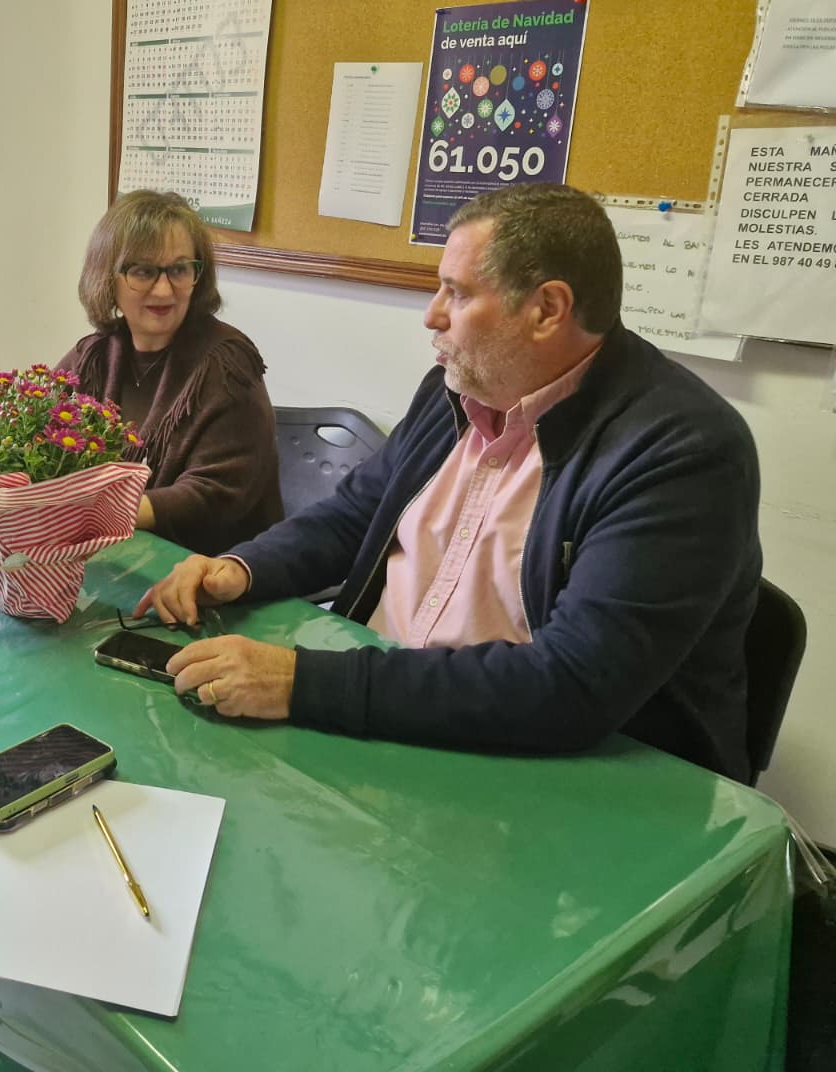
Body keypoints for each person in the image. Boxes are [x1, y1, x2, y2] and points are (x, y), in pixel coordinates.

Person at [139, 184, 761, 781]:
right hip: (385, 709)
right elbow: (356, 515)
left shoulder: (680, 451)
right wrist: (242, 568)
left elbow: (573, 685)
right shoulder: (458, 388)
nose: (432, 315)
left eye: (456, 294)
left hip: (540, 765)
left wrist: (300, 683)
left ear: (547, 309)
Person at [56, 190, 282, 555]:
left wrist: (97, 512)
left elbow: (213, 495)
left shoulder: (227, 363)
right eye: (143, 271)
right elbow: (40, 432)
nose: (164, 290)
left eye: (178, 270)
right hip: (115, 551)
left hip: (208, 567)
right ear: (107, 278)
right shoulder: (93, 356)